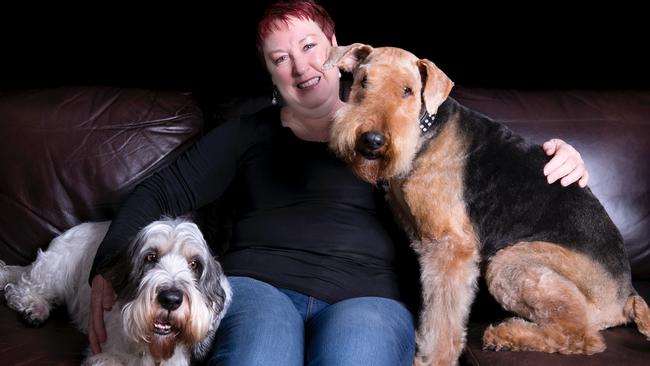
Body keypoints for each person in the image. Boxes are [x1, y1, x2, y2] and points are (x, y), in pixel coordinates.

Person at [87, 1, 590, 365]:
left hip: (368, 296)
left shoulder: (409, 131)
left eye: (309, 47)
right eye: (279, 58)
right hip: (260, 286)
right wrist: (107, 270)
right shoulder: (245, 133)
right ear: (270, 73)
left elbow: (489, 183)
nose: (301, 66)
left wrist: (556, 164)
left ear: (339, 52)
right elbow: (159, 193)